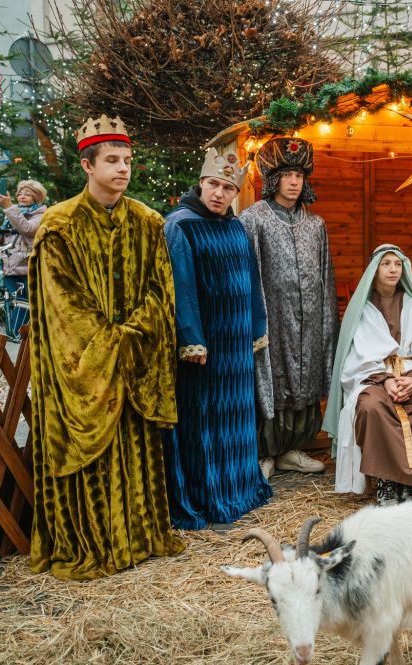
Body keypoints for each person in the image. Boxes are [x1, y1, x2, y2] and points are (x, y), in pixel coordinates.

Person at [29, 114, 184, 579]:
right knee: (93, 454)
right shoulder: (58, 226)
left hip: (134, 365)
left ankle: (139, 537)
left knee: (135, 447)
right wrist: (108, 345)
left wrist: (134, 335)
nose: (123, 168)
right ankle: (96, 541)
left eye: (128, 160)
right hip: (85, 369)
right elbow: (62, 306)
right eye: (112, 160)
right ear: (87, 166)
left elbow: (161, 291)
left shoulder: (148, 222)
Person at [161, 147, 272, 529]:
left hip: (236, 346)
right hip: (204, 349)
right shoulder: (180, 225)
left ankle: (239, 488)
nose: (219, 193)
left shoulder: (236, 226)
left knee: (236, 420)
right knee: (206, 423)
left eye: (228, 188)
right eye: (213, 184)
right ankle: (209, 496)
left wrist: (257, 327)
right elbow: (181, 287)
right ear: (201, 183)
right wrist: (192, 339)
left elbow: (252, 280)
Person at [324, 244, 412, 505]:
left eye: (397, 264)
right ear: (375, 269)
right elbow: (357, 357)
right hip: (375, 377)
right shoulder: (361, 312)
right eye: (386, 264)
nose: (393, 269)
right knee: (370, 408)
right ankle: (387, 482)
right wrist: (386, 381)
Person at [240, 138, 336, 479]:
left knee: (304, 380)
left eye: (298, 175)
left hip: (309, 321)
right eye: (286, 175)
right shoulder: (253, 219)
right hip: (272, 321)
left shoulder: (315, 224)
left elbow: (326, 277)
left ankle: (292, 450)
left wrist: (326, 324)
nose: (294, 182)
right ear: (273, 179)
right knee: (271, 379)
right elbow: (246, 276)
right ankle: (264, 452)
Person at [0, 179, 47, 299]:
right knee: (14, 303)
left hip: (28, 266)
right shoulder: (13, 212)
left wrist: (9, 206)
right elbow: (7, 234)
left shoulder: (41, 214)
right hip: (9, 267)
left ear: (37, 197)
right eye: (20, 194)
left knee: (28, 304)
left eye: (27, 194)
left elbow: (27, 229)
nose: (22, 196)